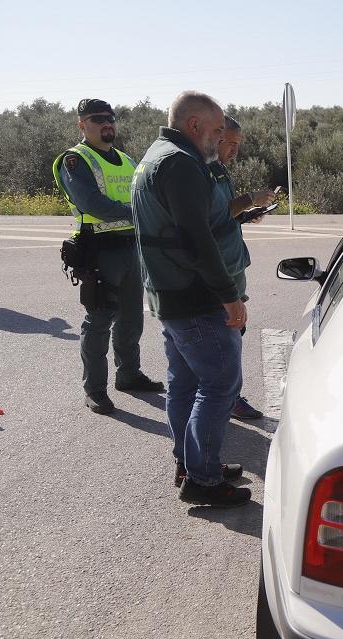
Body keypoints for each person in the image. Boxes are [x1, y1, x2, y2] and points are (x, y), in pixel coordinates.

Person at [131, 91, 251, 507]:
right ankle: (201, 478)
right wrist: (230, 296)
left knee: (184, 385)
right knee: (220, 384)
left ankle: (192, 461)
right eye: (217, 130)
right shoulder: (181, 163)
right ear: (194, 124)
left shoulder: (155, 155)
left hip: (169, 294)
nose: (220, 139)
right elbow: (197, 240)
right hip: (193, 297)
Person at [52, 98, 164, 415]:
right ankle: (95, 389)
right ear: (82, 125)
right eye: (97, 118)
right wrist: (141, 214)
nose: (106, 123)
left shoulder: (127, 160)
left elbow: (147, 194)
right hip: (98, 251)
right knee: (99, 322)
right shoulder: (75, 160)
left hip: (130, 248)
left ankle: (128, 375)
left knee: (132, 318)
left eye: (110, 117)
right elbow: (92, 204)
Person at [212, 114, 279, 420]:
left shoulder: (222, 172)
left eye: (239, 144)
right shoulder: (205, 172)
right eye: (231, 143)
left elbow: (225, 217)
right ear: (216, 137)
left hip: (232, 263)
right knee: (226, 333)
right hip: (220, 268)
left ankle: (227, 396)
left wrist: (246, 214)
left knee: (234, 333)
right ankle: (228, 399)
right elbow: (212, 216)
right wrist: (250, 199)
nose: (235, 150)